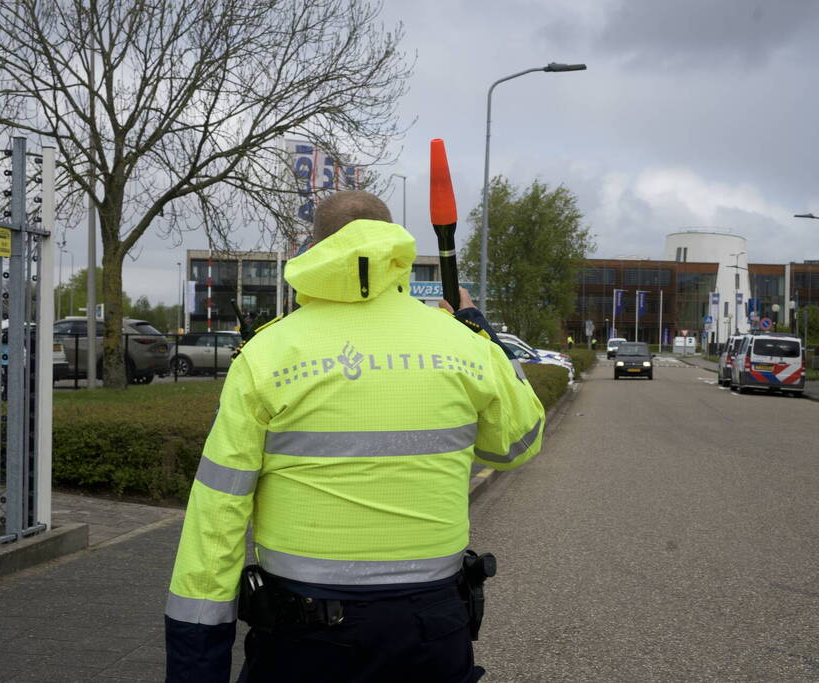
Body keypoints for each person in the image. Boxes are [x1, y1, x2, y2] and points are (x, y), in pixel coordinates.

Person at [165, 190, 545, 683]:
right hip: (429, 628)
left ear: (313, 248)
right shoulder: (461, 344)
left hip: (301, 636)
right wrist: (484, 336)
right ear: (396, 250)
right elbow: (517, 443)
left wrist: (198, 661)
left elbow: (216, 515)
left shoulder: (267, 354)